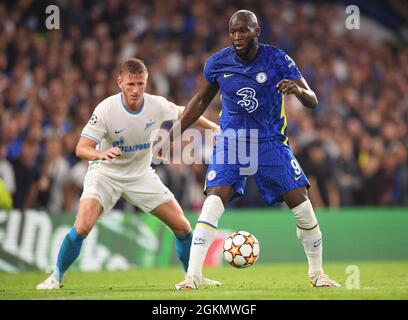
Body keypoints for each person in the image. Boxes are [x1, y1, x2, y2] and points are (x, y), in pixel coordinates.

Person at [173, 10, 341, 290]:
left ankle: (317, 274)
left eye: (243, 31)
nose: (237, 37)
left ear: (257, 31)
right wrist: (175, 132)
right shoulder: (217, 63)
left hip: (269, 143)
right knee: (214, 199)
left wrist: (298, 92)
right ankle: (192, 276)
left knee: (302, 205)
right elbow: (201, 100)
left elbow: (312, 99)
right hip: (233, 141)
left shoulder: (277, 59)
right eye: (233, 32)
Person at [36, 58, 220, 289]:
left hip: (141, 175)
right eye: (131, 84)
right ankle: (56, 277)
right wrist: (99, 154)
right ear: (120, 82)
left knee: (183, 227)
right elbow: (81, 148)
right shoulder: (106, 110)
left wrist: (214, 127)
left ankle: (192, 277)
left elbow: (186, 112)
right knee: (82, 226)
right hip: (105, 175)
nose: (135, 90)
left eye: (140, 84)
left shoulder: (156, 105)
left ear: (146, 83)